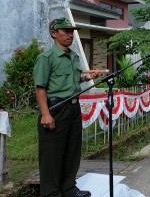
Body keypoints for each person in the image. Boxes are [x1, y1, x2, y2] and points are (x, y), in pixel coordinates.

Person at [33, 18, 102, 197]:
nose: (70, 34)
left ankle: (69, 189)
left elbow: (71, 79)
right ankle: (51, 193)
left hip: (73, 108)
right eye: (66, 31)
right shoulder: (46, 58)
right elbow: (40, 88)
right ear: (54, 33)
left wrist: (87, 77)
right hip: (56, 109)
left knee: (72, 152)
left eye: (72, 31)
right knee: (52, 156)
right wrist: (45, 114)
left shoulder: (73, 56)